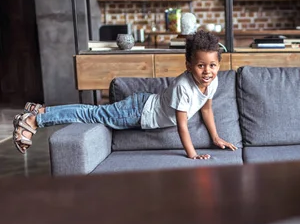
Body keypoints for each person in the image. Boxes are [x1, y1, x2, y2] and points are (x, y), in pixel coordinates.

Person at [12, 30, 237, 160]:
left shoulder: (213, 81)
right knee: (91, 114)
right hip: (137, 112)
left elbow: (206, 108)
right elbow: (182, 126)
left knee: (93, 113)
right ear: (188, 65)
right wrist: (192, 154)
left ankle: (39, 111)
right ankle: (35, 119)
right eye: (201, 66)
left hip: (144, 104)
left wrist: (215, 138)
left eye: (212, 65)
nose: (207, 71)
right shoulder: (183, 87)